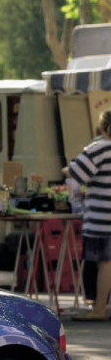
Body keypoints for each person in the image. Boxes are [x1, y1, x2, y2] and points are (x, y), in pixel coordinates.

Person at [65, 108, 111, 320]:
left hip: (102, 219)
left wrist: (66, 170)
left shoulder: (99, 148)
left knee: (104, 263)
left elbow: (75, 173)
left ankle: (99, 308)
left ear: (101, 128)